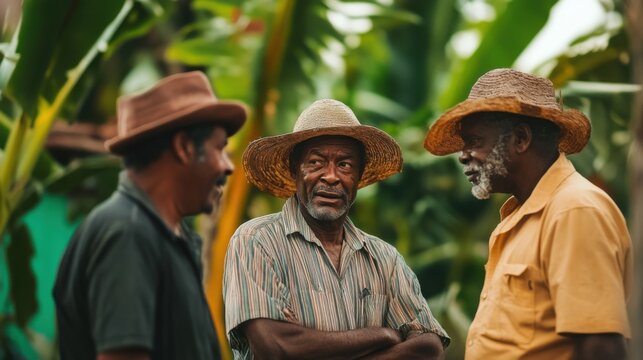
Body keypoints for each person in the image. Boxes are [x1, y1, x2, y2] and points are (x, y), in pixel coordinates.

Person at [424, 68, 632, 359]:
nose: (462, 154)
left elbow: (600, 347)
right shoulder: (518, 217)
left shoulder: (574, 211)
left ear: (520, 139)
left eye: (474, 141)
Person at [223, 99, 449, 360]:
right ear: (295, 170)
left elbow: (429, 347)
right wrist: (382, 335)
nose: (331, 176)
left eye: (344, 165)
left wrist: (309, 343)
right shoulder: (257, 241)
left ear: (359, 177)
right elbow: (276, 347)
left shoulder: (384, 258)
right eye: (316, 162)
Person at [53, 71, 247, 360]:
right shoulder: (127, 234)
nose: (228, 167)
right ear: (184, 147)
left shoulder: (166, 236)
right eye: (219, 149)